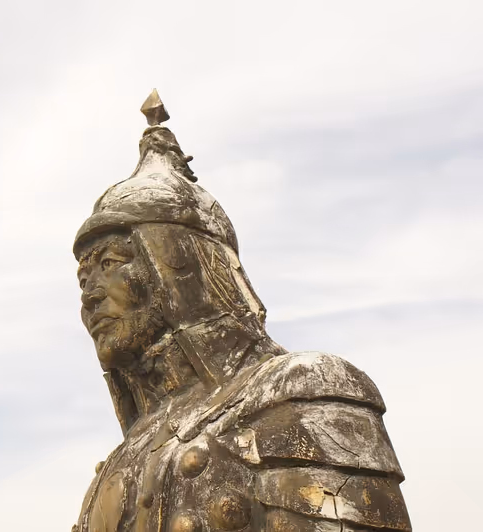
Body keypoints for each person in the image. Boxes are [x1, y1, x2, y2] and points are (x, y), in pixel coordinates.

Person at [71, 90, 411, 532]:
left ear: (174, 263)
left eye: (110, 265)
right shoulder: (118, 464)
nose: (90, 295)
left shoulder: (300, 392)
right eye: (83, 280)